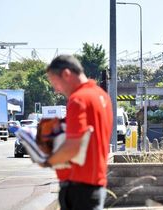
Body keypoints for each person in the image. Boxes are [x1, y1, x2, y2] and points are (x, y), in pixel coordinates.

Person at [43, 55, 113, 210]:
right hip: (96, 185)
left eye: (55, 83)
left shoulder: (78, 100)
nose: (56, 90)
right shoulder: (103, 96)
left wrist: (47, 159)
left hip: (78, 188)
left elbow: (73, 146)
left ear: (67, 74)